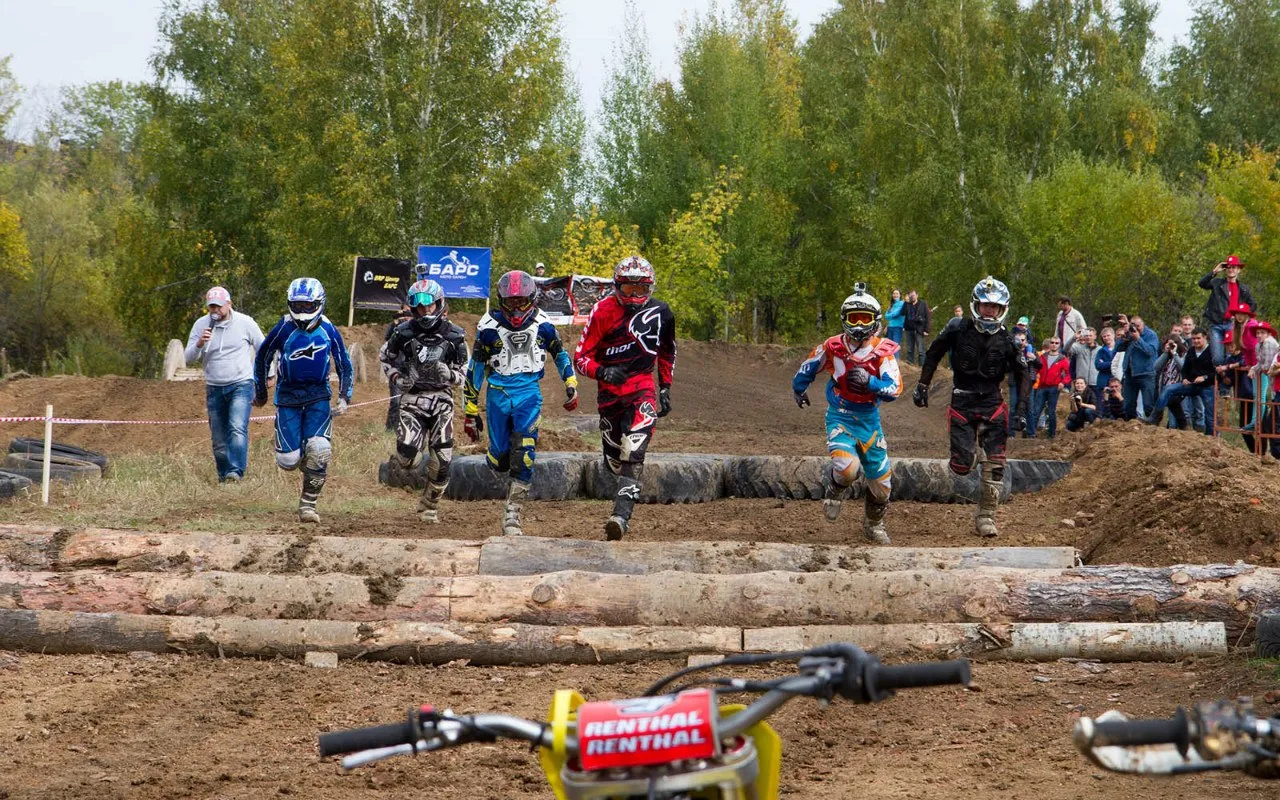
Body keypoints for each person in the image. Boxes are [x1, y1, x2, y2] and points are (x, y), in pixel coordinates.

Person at [912, 276, 1029, 538]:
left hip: (993, 403)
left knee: (995, 465)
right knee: (961, 466)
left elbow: (1024, 374)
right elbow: (933, 353)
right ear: (976, 305)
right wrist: (922, 385)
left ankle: (986, 516)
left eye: (994, 307)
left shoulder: (1009, 340)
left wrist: (1022, 410)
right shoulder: (957, 328)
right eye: (985, 305)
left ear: (1002, 309)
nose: (989, 311)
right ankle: (974, 458)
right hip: (962, 401)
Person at [464, 270, 579, 536]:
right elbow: (476, 367)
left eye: (521, 301)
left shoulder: (544, 324)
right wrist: (470, 408)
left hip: (528, 393)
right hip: (497, 394)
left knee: (525, 451)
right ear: (501, 300)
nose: (516, 308)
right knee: (500, 459)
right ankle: (497, 456)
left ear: (532, 299)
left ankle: (512, 514)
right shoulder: (488, 327)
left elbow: (560, 354)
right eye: (510, 302)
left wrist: (570, 382)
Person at [574, 256, 676, 540]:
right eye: (628, 288)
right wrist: (602, 372)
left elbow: (667, 351)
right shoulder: (602, 311)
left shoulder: (662, 313)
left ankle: (620, 517)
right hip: (609, 396)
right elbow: (580, 358)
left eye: (640, 289)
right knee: (614, 461)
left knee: (634, 450)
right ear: (617, 286)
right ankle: (620, 507)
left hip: (642, 388)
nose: (634, 295)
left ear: (650, 288)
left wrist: (665, 387)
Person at [793, 282, 902, 544]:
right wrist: (799, 388)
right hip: (840, 414)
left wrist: (870, 382)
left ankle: (873, 525)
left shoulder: (883, 352)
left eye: (864, 318)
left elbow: (895, 388)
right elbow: (809, 365)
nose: (859, 324)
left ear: (875, 320)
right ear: (845, 319)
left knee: (882, 484)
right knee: (847, 469)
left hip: (870, 420)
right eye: (854, 318)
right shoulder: (833, 347)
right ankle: (835, 487)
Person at [253, 278, 353, 523]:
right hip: (288, 396)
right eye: (297, 305)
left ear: (319, 304)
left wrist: (344, 396)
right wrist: (261, 392)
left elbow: (344, 363)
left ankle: (308, 504)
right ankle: (302, 456)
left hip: (318, 395)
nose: (302, 310)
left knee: (320, 450)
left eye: (308, 305)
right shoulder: (283, 328)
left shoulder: (328, 329)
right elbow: (262, 356)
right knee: (288, 461)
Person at [382, 279, 469, 524]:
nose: (425, 310)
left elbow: (465, 371)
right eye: (420, 306)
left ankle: (429, 506)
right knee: (408, 458)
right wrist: (398, 378)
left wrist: (451, 375)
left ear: (439, 304)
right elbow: (385, 357)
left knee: (442, 460)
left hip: (442, 399)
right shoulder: (403, 332)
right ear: (413, 307)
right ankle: (403, 458)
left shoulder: (455, 335)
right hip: (413, 398)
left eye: (429, 304)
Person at [184, 286, 265, 483]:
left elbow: (263, 348)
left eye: (219, 306)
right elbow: (187, 358)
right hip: (214, 386)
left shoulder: (245, 322)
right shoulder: (201, 325)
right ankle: (223, 476)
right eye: (212, 307)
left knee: (237, 427)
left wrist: (268, 374)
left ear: (229, 304)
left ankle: (235, 472)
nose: (216, 310)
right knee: (218, 437)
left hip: (241, 383)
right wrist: (199, 344)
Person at [1142, 328, 1215, 435]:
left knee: (1209, 415)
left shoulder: (1212, 351)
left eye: (1198, 338)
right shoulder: (1191, 351)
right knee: (1168, 389)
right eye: (1194, 339)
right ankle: (1153, 418)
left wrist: (1205, 377)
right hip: (1192, 384)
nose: (1196, 341)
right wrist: (1185, 378)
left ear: (1205, 337)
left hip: (1207, 386)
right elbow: (1185, 369)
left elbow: (1217, 372)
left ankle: (1210, 436)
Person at [1199, 255, 1256, 364]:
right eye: (1228, 267)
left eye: (1234, 267)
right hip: (1216, 324)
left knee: (1233, 355)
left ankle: (1229, 374)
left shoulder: (1243, 289)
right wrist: (1214, 271)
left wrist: (1243, 316)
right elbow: (1201, 284)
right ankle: (1220, 374)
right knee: (1217, 358)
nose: (1231, 270)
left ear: (1238, 270)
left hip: (1233, 325)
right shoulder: (1217, 283)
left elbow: (1253, 304)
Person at [1116, 315, 1159, 420]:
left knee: (1148, 405)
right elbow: (1117, 348)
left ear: (1143, 324)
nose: (1136, 328)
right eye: (1133, 326)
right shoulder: (1129, 334)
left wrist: (1138, 339)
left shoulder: (1151, 335)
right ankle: (1131, 424)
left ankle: (1152, 424)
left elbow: (1150, 351)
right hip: (1130, 373)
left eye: (1138, 326)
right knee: (1128, 405)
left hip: (1146, 373)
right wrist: (1125, 334)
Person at [1028, 337, 1070, 439]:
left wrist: (1063, 383)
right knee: (1037, 410)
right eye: (1052, 342)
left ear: (1059, 345)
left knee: (1051, 411)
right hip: (1041, 386)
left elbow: (1069, 374)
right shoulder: (1042, 357)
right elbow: (1036, 369)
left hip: (1054, 388)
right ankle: (1031, 433)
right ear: (1049, 344)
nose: (1054, 344)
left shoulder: (1063, 359)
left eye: (1056, 343)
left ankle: (1051, 434)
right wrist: (1032, 379)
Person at [383, 303, 413, 431]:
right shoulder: (396, 325)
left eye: (409, 312)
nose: (406, 315)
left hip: (412, 369)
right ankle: (390, 428)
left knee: (410, 401)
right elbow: (387, 341)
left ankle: (407, 428)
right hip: (396, 367)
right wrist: (396, 325)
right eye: (404, 311)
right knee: (396, 401)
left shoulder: (416, 326)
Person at [1093, 327, 1118, 417]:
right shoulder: (1101, 351)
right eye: (1104, 336)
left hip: (1116, 380)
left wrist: (1105, 363)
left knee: (1115, 403)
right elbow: (1098, 365)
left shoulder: (1119, 349)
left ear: (1113, 335)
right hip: (1103, 381)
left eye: (1108, 335)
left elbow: (1120, 364)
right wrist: (1113, 363)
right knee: (1102, 404)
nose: (1106, 338)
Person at [902, 290, 931, 366]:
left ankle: (922, 366)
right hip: (909, 329)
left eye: (913, 295)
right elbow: (903, 313)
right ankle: (910, 365)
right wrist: (905, 302)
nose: (912, 297)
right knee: (909, 349)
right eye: (911, 296)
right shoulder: (907, 304)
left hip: (919, 329)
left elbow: (928, 316)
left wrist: (927, 330)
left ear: (917, 295)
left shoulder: (922, 304)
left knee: (921, 350)